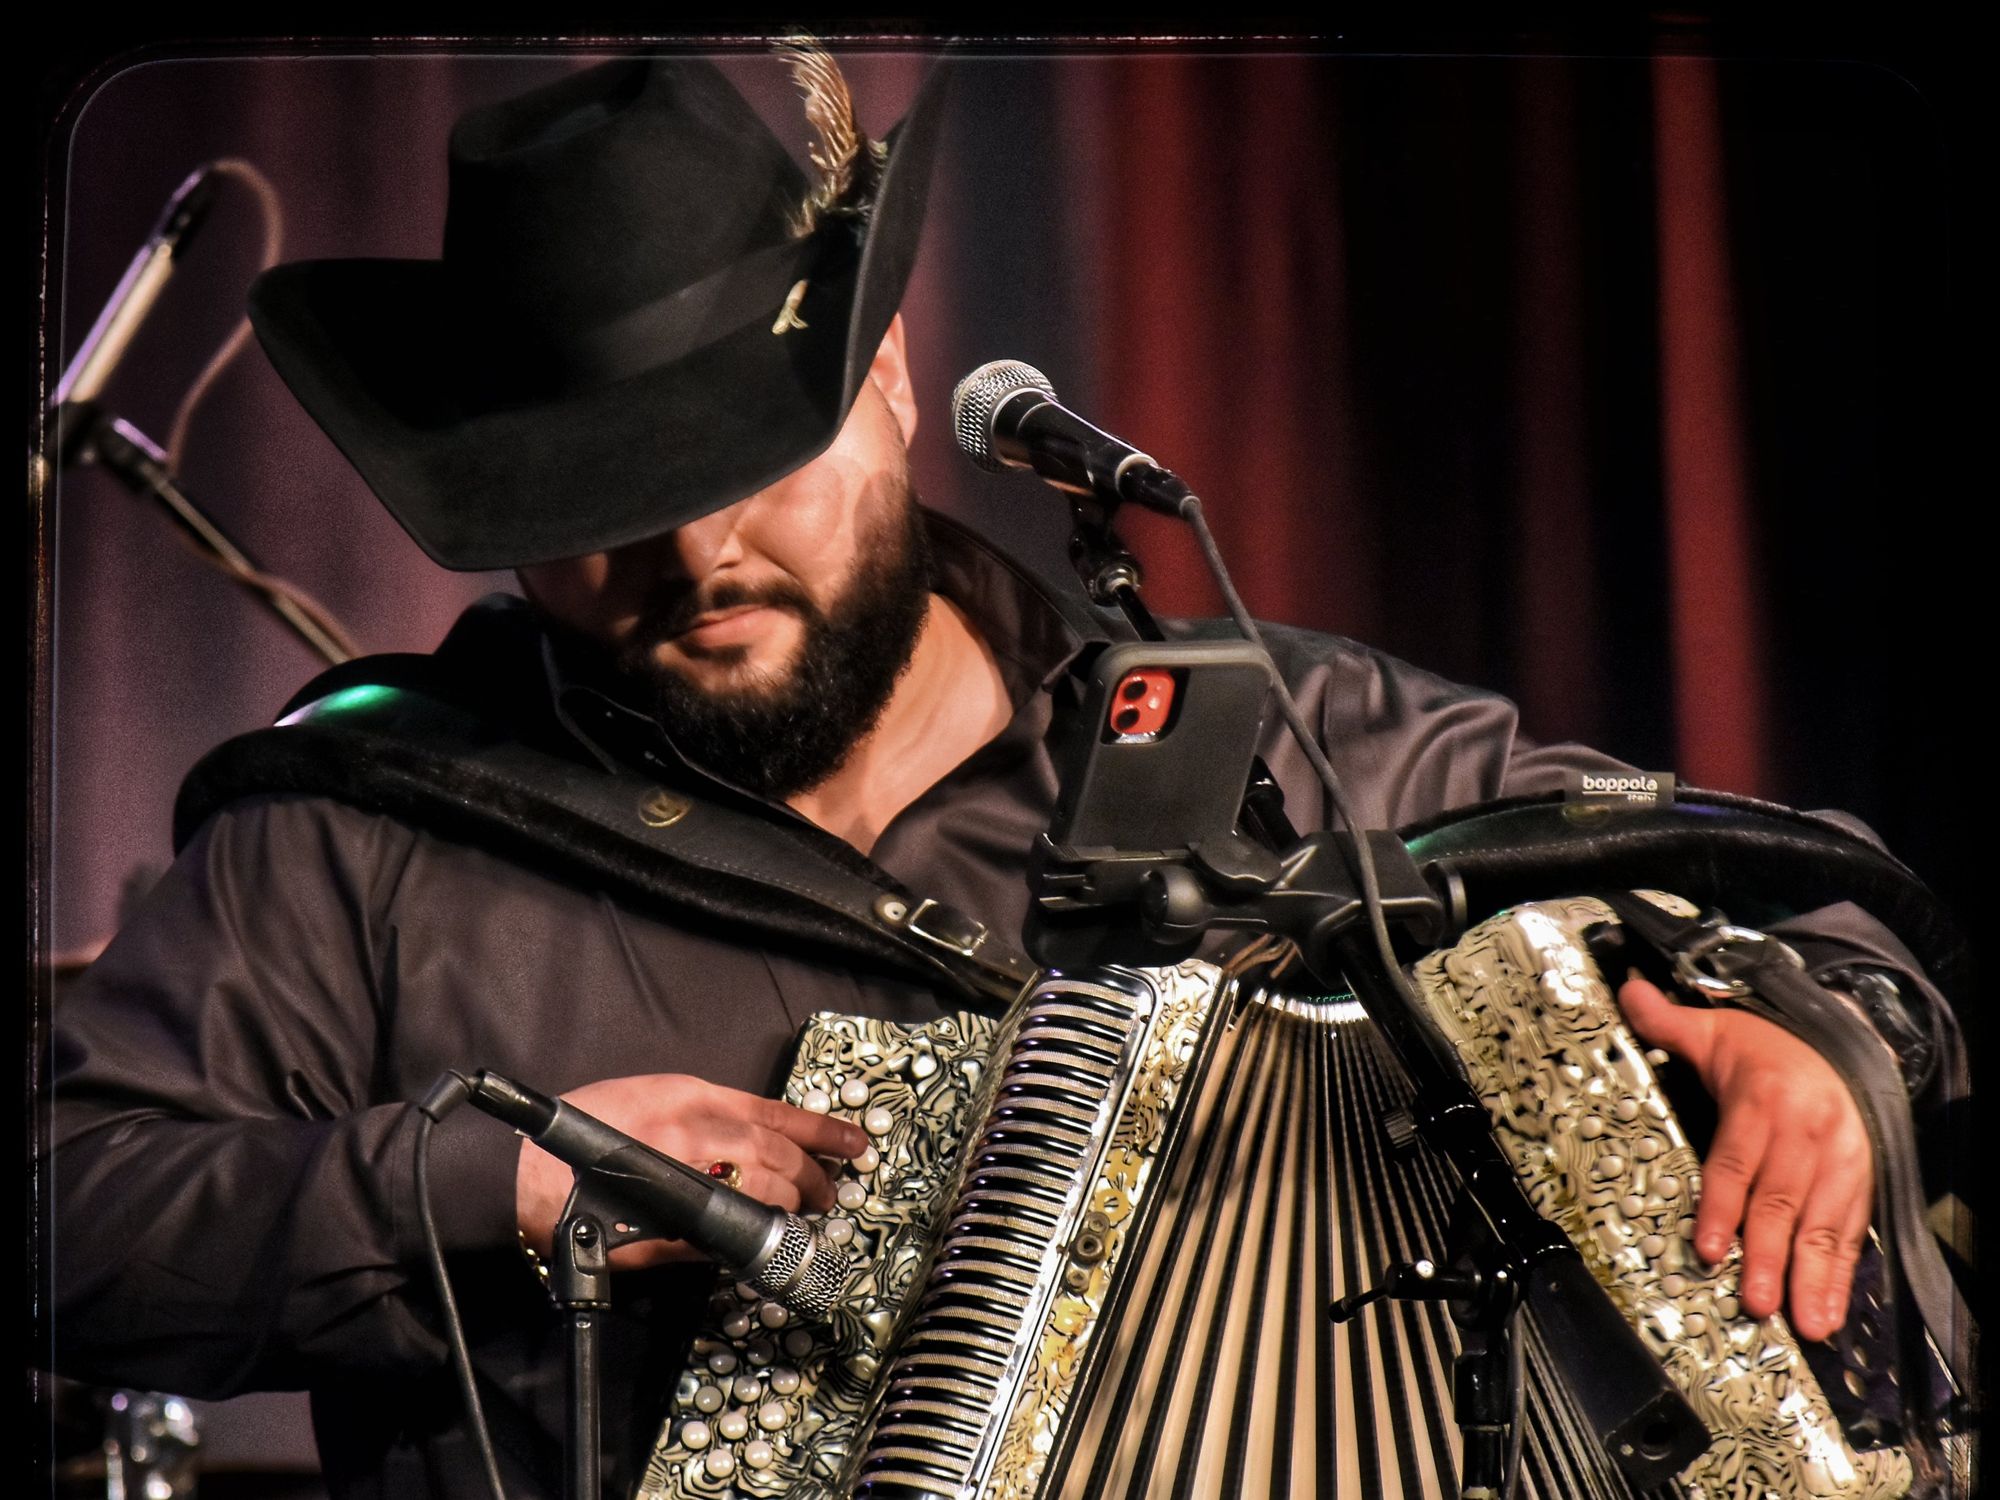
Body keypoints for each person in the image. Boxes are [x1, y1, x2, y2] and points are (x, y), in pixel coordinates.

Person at [45, 47, 1963, 1500]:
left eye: (746, 468)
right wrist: (500, 1179)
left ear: (887, 386)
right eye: (599, 515)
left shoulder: (1278, 741)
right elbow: (69, 1211)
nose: (696, 562)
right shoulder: (356, 842)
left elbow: (1823, 893)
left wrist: (1796, 1027)